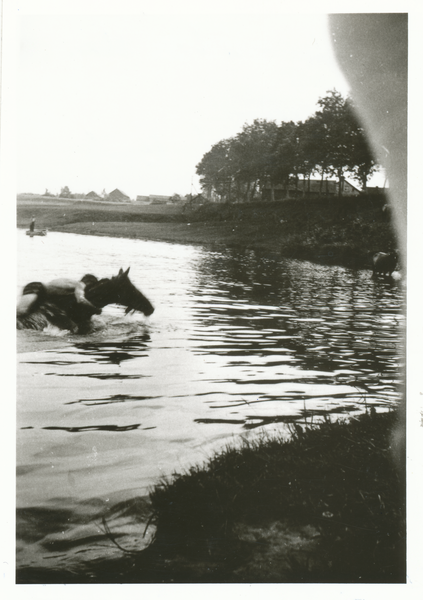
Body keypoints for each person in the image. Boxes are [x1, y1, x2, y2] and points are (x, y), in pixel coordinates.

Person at [17, 274, 101, 318]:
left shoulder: (71, 284)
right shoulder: (80, 285)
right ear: (89, 284)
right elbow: (80, 300)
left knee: (26, 314)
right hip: (37, 288)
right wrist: (96, 309)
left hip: (42, 295)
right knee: (20, 311)